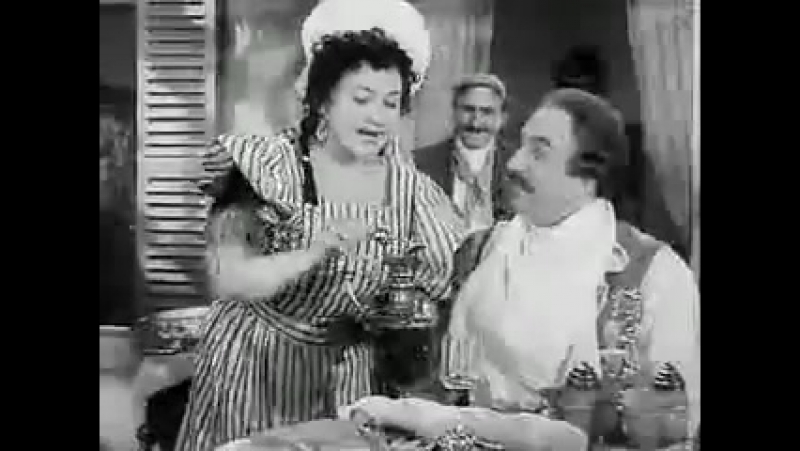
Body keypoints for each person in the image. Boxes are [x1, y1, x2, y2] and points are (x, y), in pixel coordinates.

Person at [175, 1, 465, 449]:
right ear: (323, 101)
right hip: (254, 370)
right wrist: (313, 251)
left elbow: (438, 288)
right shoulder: (267, 167)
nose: (377, 117)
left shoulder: (415, 194)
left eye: (391, 103)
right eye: (361, 99)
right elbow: (230, 276)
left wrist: (404, 319)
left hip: (349, 380)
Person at [446, 88, 700, 446]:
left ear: (588, 176)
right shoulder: (480, 251)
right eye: (520, 145)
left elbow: (674, 426)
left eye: (539, 152)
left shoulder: (654, 275)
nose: (514, 163)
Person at [413, 74, 514, 232]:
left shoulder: (516, 166)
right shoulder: (420, 165)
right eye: (468, 110)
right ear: (454, 112)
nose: (476, 122)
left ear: (502, 118)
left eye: (486, 112)